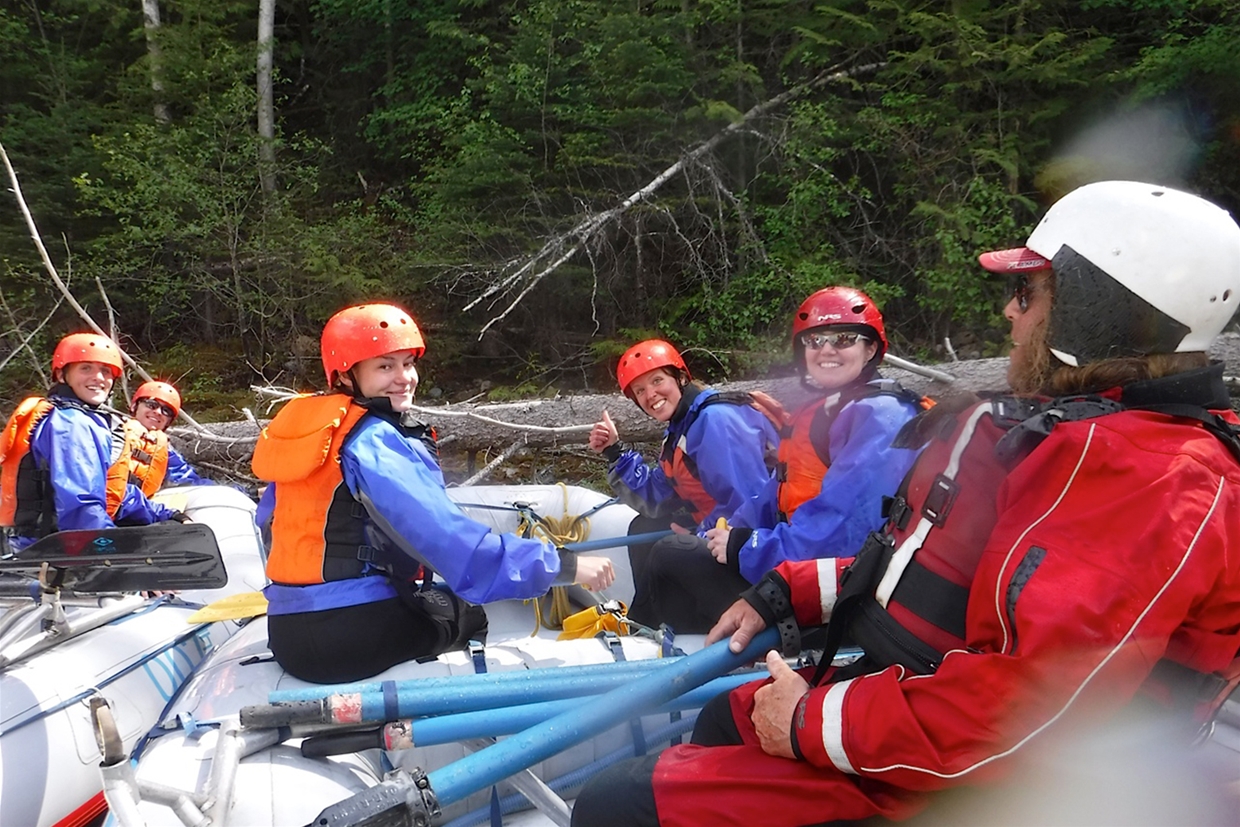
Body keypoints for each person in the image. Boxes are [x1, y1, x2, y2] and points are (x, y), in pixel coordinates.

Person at [571, 180, 1240, 827]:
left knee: (613, 804)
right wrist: (787, 588)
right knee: (727, 715)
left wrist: (810, 719)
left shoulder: (1151, 478)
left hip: (984, 782)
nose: (1010, 310)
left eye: (1027, 291)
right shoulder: (1069, 431)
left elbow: (1031, 712)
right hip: (920, 697)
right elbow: (925, 564)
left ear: (1100, 307)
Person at [252, 302, 616, 684]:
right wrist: (565, 566)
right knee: (466, 612)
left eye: (407, 363)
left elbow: (270, 524)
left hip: (288, 636)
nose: (404, 378)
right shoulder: (372, 439)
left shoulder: (310, 436)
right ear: (346, 374)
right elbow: (449, 542)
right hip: (352, 636)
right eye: (384, 366)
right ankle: (465, 731)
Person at [705, 287, 925, 586]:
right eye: (815, 340)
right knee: (682, 552)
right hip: (803, 561)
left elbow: (844, 530)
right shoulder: (829, 409)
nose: (827, 350)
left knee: (672, 556)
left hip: (844, 583)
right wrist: (732, 527)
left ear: (871, 349)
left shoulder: (881, 414)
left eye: (844, 339)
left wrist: (746, 547)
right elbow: (777, 492)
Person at [587, 339, 781, 633]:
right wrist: (615, 451)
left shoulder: (715, 421)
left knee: (670, 549)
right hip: (726, 532)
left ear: (679, 377)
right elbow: (656, 496)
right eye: (640, 391)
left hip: (760, 552)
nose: (650, 395)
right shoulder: (683, 426)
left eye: (657, 381)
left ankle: (645, 628)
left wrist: (697, 532)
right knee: (645, 526)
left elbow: (751, 506)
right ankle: (653, 623)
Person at [1, 334, 186, 551]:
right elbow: (81, 507)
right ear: (62, 374)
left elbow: (112, 490)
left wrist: (165, 513)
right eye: (86, 368)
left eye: (105, 371)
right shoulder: (71, 423)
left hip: (52, 542)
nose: (98, 377)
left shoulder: (82, 419)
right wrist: (117, 561)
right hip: (48, 551)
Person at [127, 380, 213, 488]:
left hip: (146, 501)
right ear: (135, 406)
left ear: (168, 421)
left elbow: (187, 479)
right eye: (151, 404)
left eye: (166, 411)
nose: (158, 412)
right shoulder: (114, 431)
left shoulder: (166, 450)